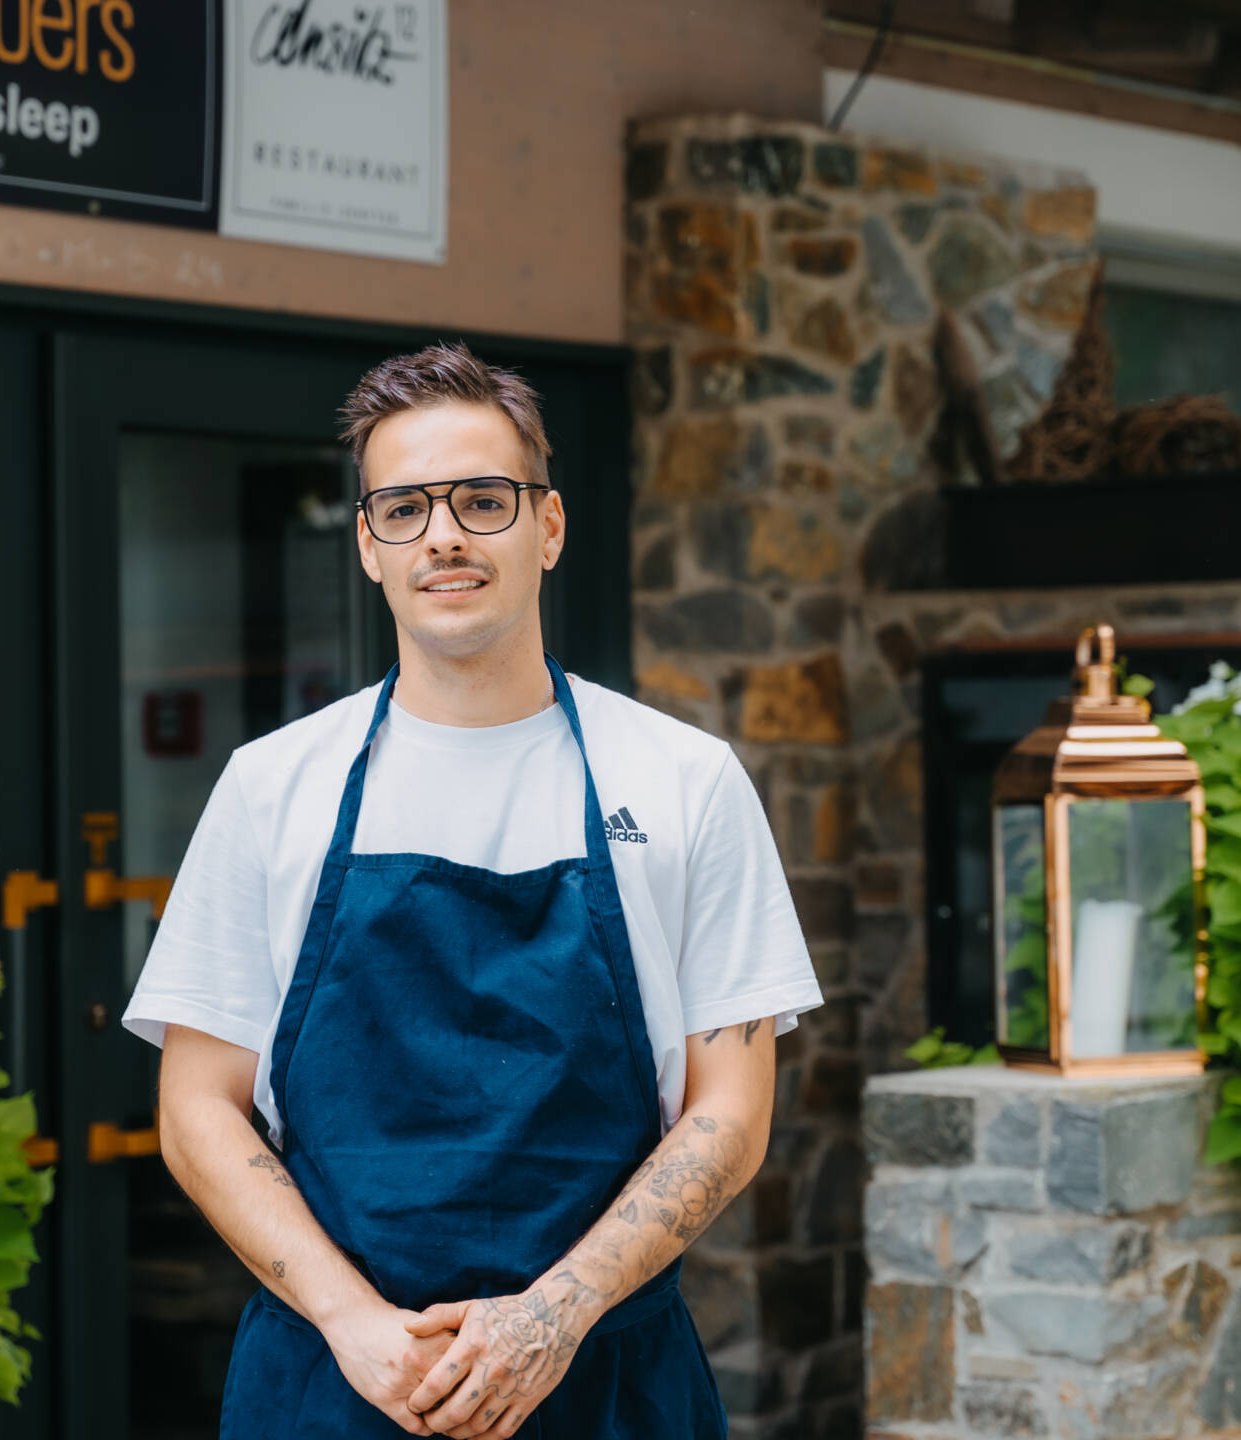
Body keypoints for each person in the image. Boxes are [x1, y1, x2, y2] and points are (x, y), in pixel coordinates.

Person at [124, 343, 820, 1438]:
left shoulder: (683, 781)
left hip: (604, 1384)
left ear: (548, 527)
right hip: (335, 1385)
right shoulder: (272, 789)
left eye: (482, 501)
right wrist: (356, 1327)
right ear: (367, 545)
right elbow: (197, 1107)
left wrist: (556, 1313)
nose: (442, 534)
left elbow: (730, 1112)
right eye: (402, 509)